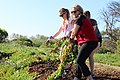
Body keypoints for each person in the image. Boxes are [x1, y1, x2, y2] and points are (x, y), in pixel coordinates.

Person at [70, 4, 98, 80]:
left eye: (74, 11)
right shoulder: (82, 18)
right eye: (71, 12)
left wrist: (70, 39)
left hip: (89, 42)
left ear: (80, 11)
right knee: (80, 60)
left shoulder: (80, 18)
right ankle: (77, 76)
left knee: (79, 60)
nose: (73, 13)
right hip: (88, 42)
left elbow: (73, 32)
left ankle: (89, 77)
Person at [84, 10, 102, 77]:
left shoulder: (93, 21)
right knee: (87, 56)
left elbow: (92, 32)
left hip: (97, 40)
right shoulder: (84, 23)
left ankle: (91, 73)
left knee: (90, 55)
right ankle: (88, 72)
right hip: (90, 41)